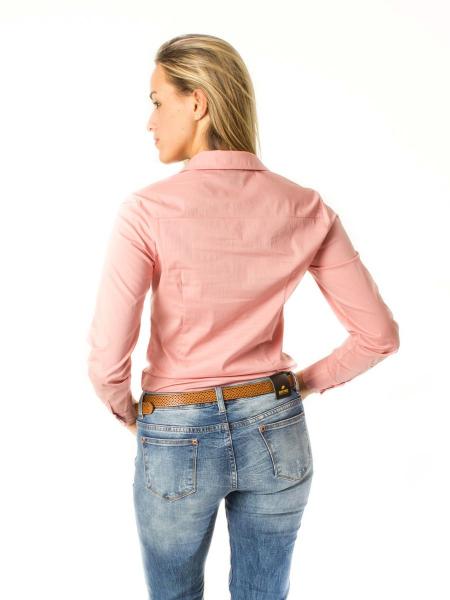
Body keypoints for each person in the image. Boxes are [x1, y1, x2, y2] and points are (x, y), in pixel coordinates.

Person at [86, 33, 400, 600]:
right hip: (275, 423)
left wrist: (128, 411)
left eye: (157, 101)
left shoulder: (147, 211)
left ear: (197, 102)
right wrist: (298, 386)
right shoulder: (306, 206)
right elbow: (378, 336)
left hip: (176, 429)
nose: (149, 121)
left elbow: (108, 358)